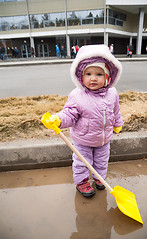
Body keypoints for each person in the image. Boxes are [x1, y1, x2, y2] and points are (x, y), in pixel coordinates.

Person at [46, 44, 123, 198]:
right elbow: (69, 113)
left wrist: (117, 124)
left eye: (99, 74)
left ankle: (99, 178)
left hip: (103, 139)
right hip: (83, 140)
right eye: (88, 74)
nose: (93, 78)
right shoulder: (77, 95)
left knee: (102, 161)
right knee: (82, 162)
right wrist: (58, 119)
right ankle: (82, 182)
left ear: (108, 76)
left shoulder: (112, 93)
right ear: (81, 76)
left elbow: (115, 110)